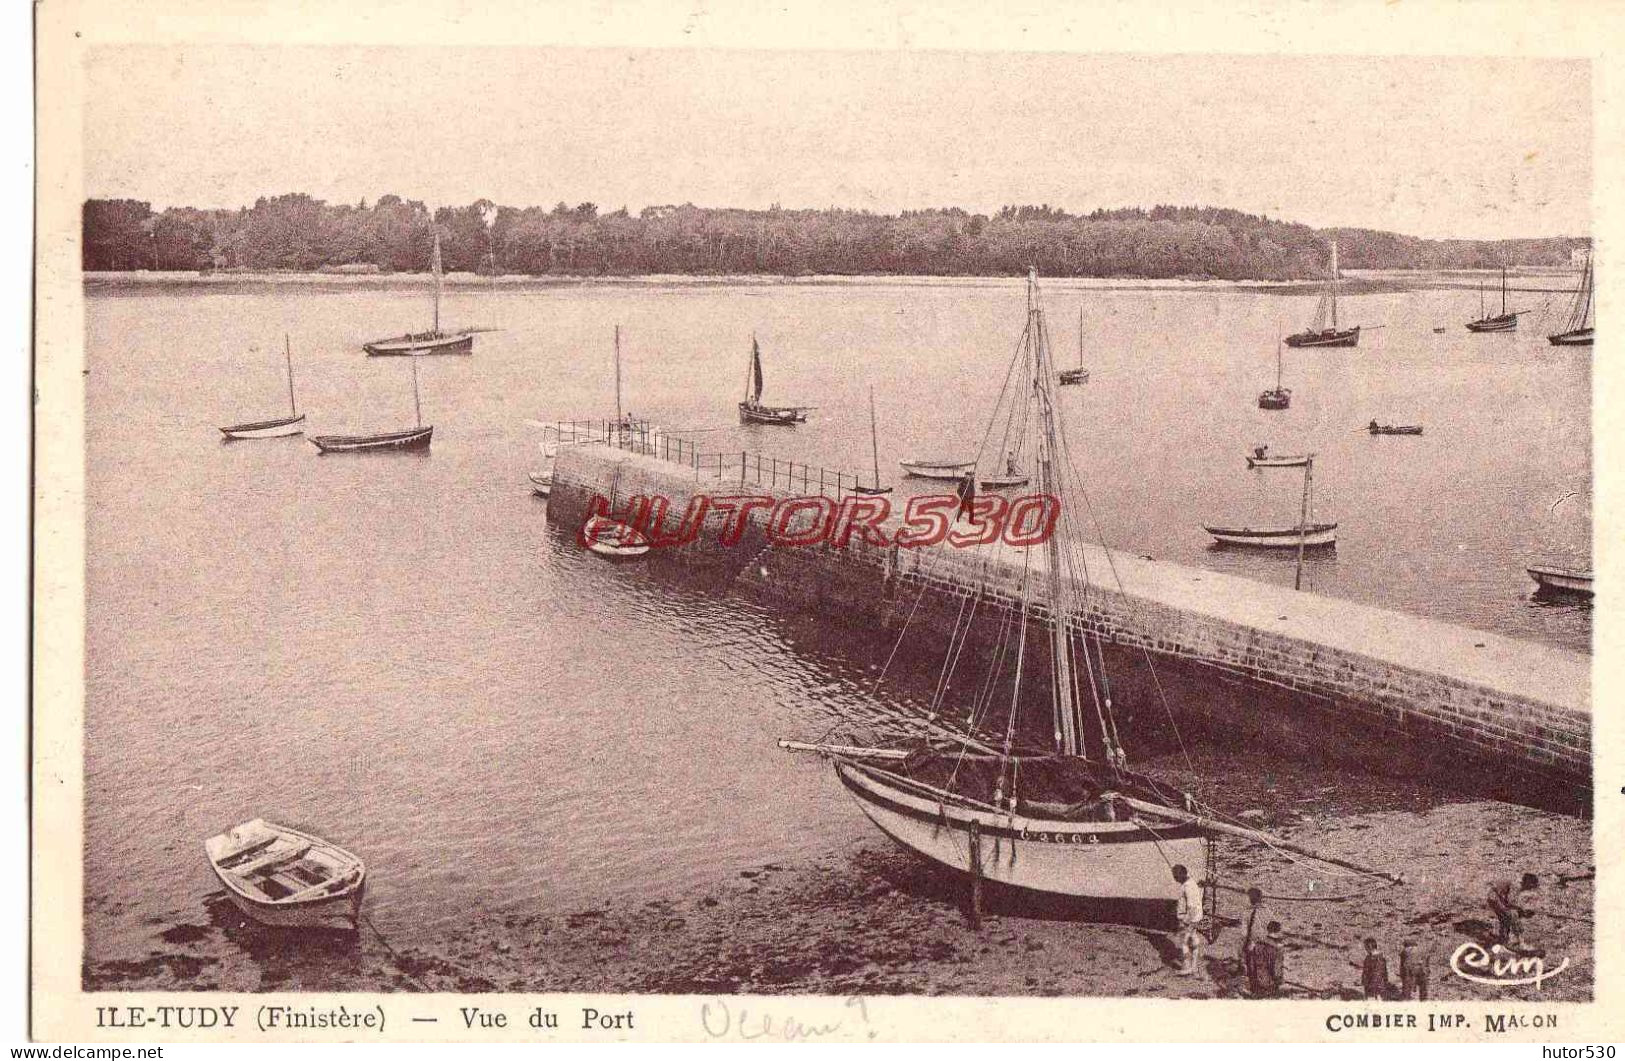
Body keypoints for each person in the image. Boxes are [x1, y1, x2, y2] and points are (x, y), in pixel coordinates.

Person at [1488, 872, 1540, 950]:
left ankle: (1503, 940)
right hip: (1494, 898)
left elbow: (1509, 900)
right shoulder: (1517, 885)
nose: (1531, 888)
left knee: (1506, 918)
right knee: (1512, 915)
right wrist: (1521, 910)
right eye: (1531, 885)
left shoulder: (1519, 884)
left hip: (1497, 897)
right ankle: (1520, 942)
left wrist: (1521, 909)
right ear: (1528, 883)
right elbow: (1510, 901)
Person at [1171, 864, 1204, 976]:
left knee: (1184, 943)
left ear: (1181, 875)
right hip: (1196, 918)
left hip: (1189, 918)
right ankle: (1194, 967)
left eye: (1175, 876)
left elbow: (1191, 907)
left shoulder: (1187, 887)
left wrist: (1185, 921)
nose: (1175, 878)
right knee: (1193, 941)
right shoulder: (1191, 883)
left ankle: (1187, 967)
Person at [1245, 922, 1286, 997]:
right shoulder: (1277, 948)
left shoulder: (1256, 945)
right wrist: (1280, 982)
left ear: (1268, 930)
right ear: (1279, 931)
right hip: (1269, 985)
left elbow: (1250, 965)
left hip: (1254, 984)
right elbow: (1277, 971)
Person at [1240, 887, 1268, 966]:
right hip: (1266, 945)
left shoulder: (1247, 913)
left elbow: (1244, 934)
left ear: (1250, 899)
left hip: (1252, 946)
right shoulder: (1267, 911)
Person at [1399, 936, 1432, 1001]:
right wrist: (1427, 971)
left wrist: (1402, 974)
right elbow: (1427, 960)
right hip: (1421, 970)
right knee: (1423, 988)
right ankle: (1424, 1000)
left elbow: (1402, 963)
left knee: (1407, 987)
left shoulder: (1405, 951)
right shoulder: (1422, 950)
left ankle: (1407, 999)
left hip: (1409, 970)